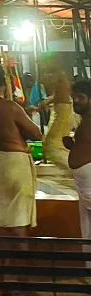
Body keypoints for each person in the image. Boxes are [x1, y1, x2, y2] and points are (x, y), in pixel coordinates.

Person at [0, 61, 41, 232]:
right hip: (16, 160)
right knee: (19, 216)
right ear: (5, 80)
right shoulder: (10, 106)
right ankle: (21, 253)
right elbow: (36, 134)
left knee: (6, 212)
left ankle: (7, 255)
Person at [63, 79, 91, 239]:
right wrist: (72, 146)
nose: (76, 101)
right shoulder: (85, 121)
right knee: (87, 233)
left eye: (80, 97)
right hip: (83, 184)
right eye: (74, 97)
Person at [41, 61, 76, 173]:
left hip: (63, 114)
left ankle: (74, 167)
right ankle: (74, 166)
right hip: (63, 113)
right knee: (55, 145)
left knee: (52, 146)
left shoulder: (61, 82)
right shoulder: (61, 82)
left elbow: (61, 98)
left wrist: (46, 103)